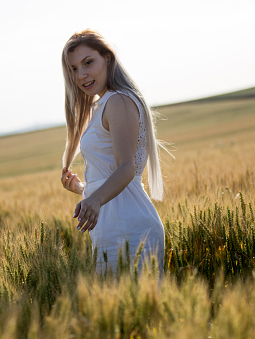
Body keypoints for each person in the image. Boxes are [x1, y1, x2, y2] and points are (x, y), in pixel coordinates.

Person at [60, 29, 167, 277]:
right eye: (74, 69)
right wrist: (82, 189)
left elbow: (127, 167)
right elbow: (111, 174)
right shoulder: (103, 105)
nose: (81, 75)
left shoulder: (118, 101)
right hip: (112, 224)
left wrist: (94, 200)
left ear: (107, 58)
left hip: (129, 225)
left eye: (88, 63)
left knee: (137, 311)